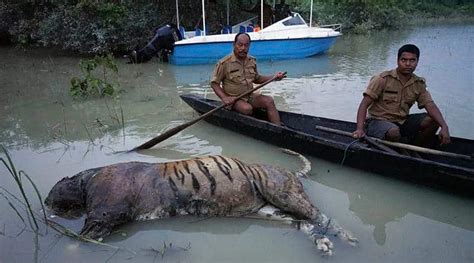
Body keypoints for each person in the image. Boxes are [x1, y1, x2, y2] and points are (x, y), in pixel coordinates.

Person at [353, 44, 450, 147]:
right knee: (394, 132)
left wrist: (444, 126)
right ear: (398, 61)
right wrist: (359, 129)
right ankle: (403, 148)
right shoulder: (382, 79)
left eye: (412, 60)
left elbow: (430, 105)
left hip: (401, 122)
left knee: (434, 120)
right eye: (404, 60)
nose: (408, 64)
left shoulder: (418, 83)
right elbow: (364, 104)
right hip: (377, 122)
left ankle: (415, 149)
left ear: (417, 62)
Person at [210, 33, 286, 125]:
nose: (243, 48)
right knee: (247, 109)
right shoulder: (224, 63)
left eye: (246, 45)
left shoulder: (252, 61)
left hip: (250, 96)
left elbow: (257, 79)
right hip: (234, 99)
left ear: (249, 46)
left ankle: (278, 129)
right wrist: (225, 98)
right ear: (234, 45)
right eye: (240, 45)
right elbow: (214, 83)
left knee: (269, 101)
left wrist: (274, 77)